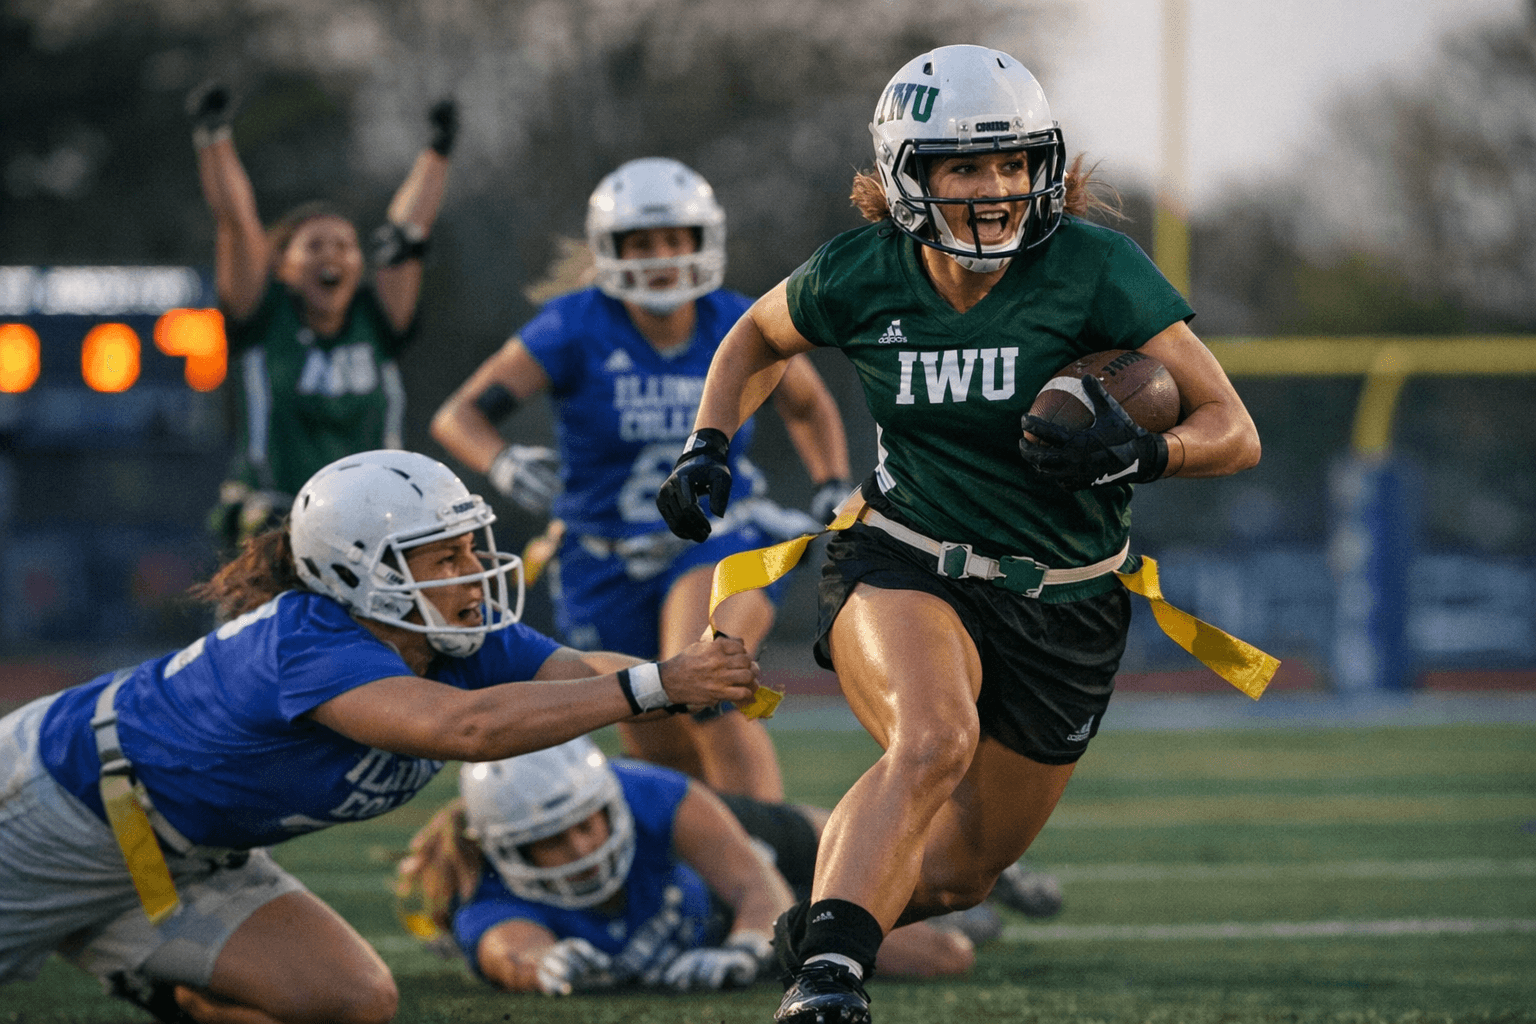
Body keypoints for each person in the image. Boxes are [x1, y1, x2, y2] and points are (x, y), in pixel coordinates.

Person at [654, 44, 1262, 1024]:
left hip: (1069, 603)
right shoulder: (864, 271)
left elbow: (1232, 429)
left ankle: (811, 928)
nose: (997, 188)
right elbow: (757, 335)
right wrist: (708, 442)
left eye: (1015, 163)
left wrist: (1141, 455)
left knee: (959, 874)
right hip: (906, 554)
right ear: (908, 175)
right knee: (933, 739)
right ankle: (828, 985)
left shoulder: (1093, 267)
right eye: (966, 167)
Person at [0, 449, 757, 1024]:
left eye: (470, 547)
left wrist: (694, 679)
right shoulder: (306, 639)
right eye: (445, 557)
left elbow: (586, 673)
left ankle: (147, 971)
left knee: (353, 997)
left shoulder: (457, 634)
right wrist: (660, 685)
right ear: (360, 571)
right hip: (54, 811)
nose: (473, 574)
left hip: (179, 852)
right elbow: (461, 727)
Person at [431, 157, 852, 802]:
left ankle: (776, 868)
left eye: (675, 239)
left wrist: (829, 484)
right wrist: (503, 460)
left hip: (723, 535)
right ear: (610, 250)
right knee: (654, 727)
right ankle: (738, 863)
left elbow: (807, 404)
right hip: (604, 559)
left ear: (702, 241)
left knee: (702, 676)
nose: (661, 256)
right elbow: (459, 416)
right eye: (642, 243)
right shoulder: (575, 325)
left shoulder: (735, 322)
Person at [395, 736, 1009, 997]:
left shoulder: (645, 796)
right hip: (707, 917)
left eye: (588, 822)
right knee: (943, 955)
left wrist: (746, 950)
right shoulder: (491, 905)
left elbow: (752, 879)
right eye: (552, 840)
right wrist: (544, 966)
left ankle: (990, 876)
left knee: (858, 853)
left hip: (742, 858)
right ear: (505, 848)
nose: (583, 848)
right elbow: (514, 951)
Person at [187, 80, 457, 551]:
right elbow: (237, 222)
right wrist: (214, 136)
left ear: (358, 265)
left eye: (344, 245)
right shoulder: (264, 317)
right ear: (283, 266)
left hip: (373, 524)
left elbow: (407, 233)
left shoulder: (375, 319)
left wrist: (437, 151)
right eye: (314, 246)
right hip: (274, 524)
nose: (331, 255)